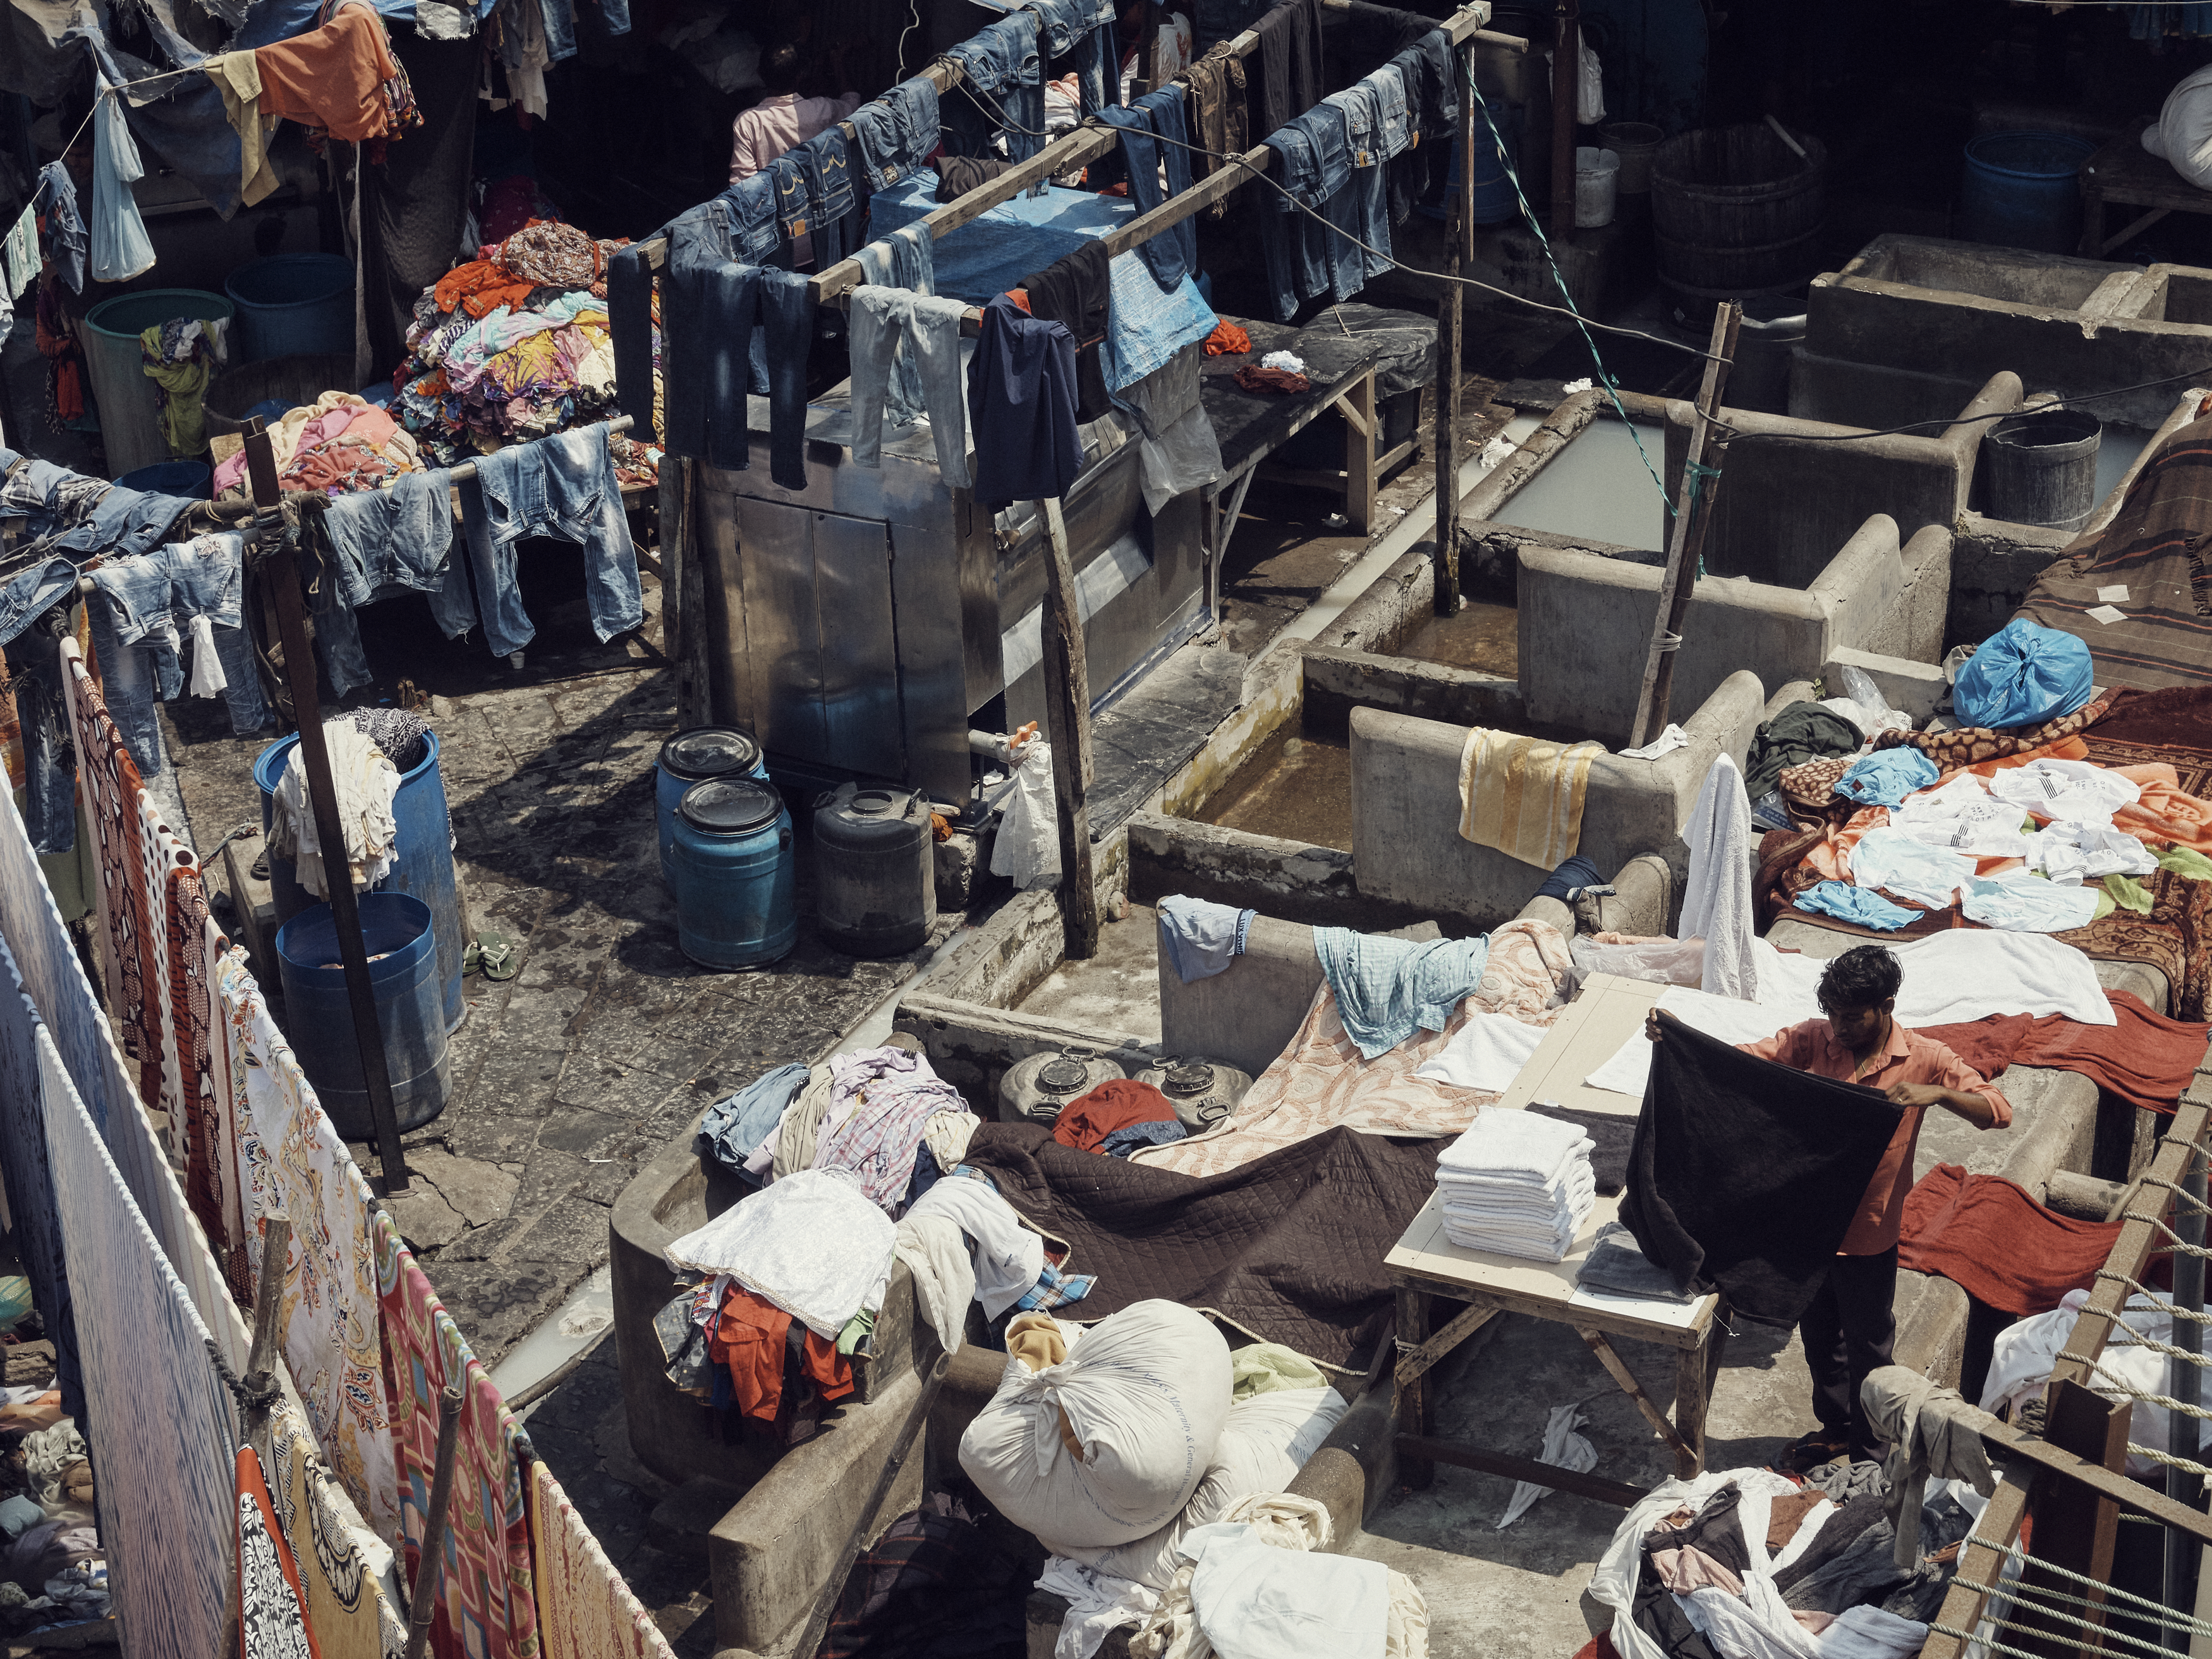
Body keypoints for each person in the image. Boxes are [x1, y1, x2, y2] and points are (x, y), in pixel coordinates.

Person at [1644, 944, 2012, 1468]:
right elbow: (1743, 1062)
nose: (1838, 1026)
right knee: (1820, 1337)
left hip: (1868, 1233)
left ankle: (1871, 1452)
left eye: (1852, 1016)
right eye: (1832, 1013)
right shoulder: (1812, 1040)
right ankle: (1837, 1426)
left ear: (1886, 1005)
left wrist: (1938, 1095)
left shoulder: (1926, 1058)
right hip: (1810, 1225)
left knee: (1870, 1345)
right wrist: (1683, 1039)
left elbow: (1998, 1111)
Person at [728, 44, 861, 269]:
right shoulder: (822, 110)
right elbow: (855, 106)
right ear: (800, 75)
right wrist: (839, 65)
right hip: (823, 239)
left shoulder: (749, 122)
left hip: (773, 246)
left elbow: (743, 190)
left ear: (760, 74)